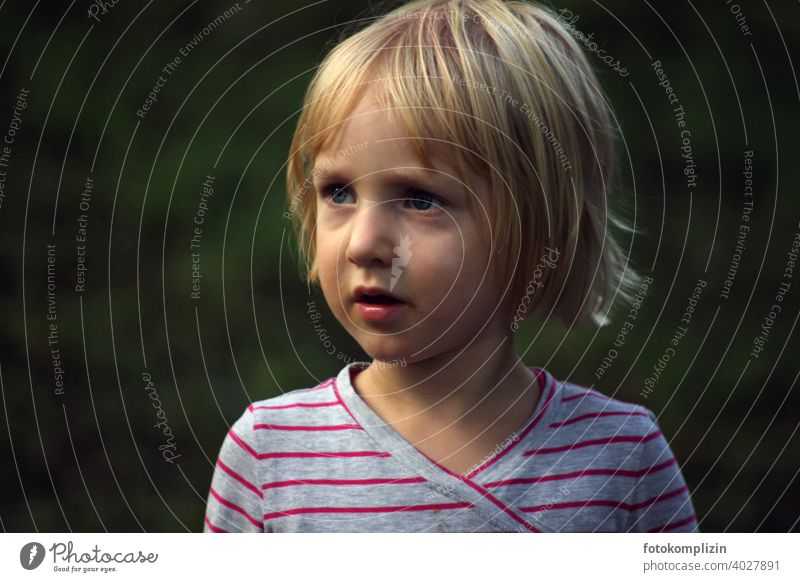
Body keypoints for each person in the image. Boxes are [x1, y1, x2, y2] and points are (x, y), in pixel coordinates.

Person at [204, 0, 698, 533]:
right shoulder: (271, 454)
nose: (364, 243)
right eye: (339, 192)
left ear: (541, 227)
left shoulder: (621, 455)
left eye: (420, 199)